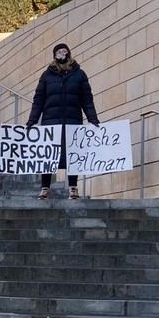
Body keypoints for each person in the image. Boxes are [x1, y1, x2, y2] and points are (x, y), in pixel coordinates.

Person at [26, 43, 99, 200]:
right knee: (48, 154)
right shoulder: (47, 76)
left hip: (73, 121)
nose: (62, 54)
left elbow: (87, 99)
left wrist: (93, 118)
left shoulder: (79, 75)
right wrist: (32, 120)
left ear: (69, 54)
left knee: (73, 154)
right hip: (51, 122)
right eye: (58, 52)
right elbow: (38, 99)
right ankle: (45, 187)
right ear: (54, 56)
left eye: (64, 51)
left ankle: (73, 188)